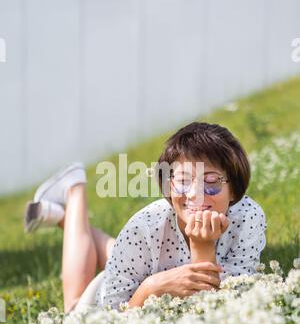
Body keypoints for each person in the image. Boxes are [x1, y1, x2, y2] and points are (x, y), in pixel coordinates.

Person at [24, 122, 267, 313]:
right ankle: (74, 189)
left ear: (234, 189)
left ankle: (62, 216)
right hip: (117, 297)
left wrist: (201, 246)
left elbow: (216, 310)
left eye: (212, 182)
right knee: (74, 309)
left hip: (141, 264)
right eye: (182, 182)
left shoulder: (248, 218)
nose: (195, 194)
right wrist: (152, 287)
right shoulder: (143, 229)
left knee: (135, 250)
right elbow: (113, 321)